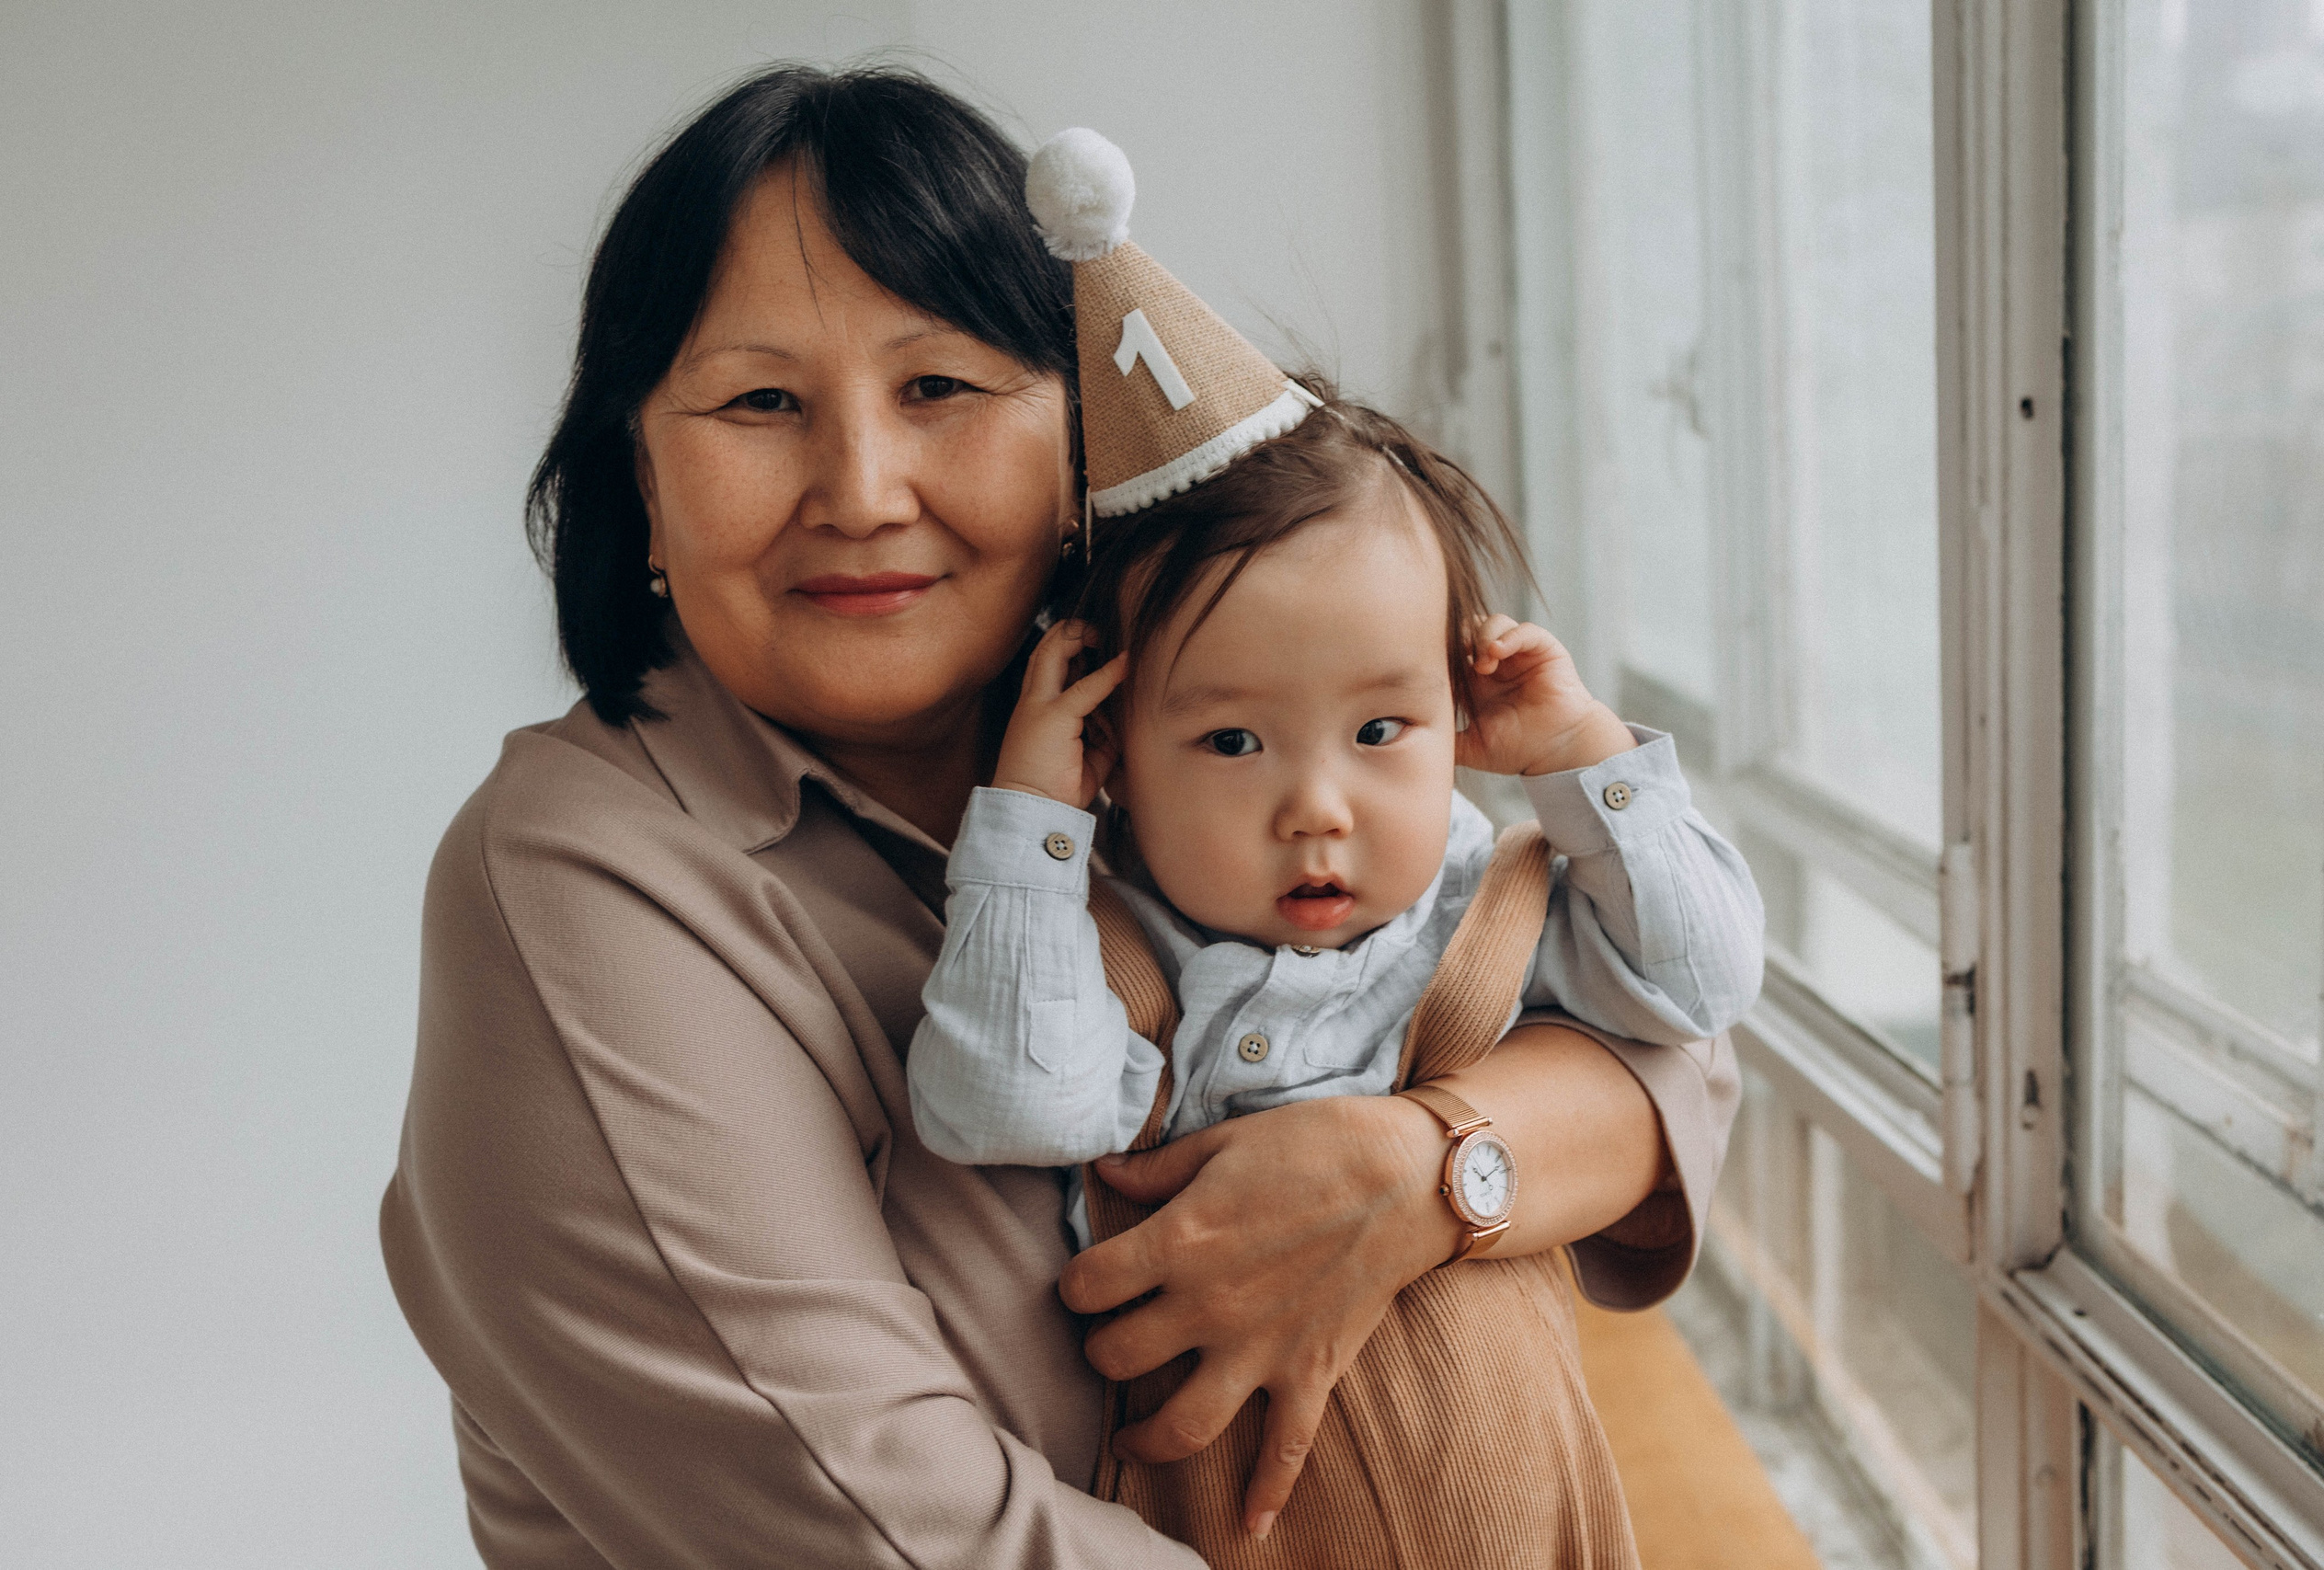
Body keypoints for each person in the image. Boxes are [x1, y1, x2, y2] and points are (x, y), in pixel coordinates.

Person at [380, 65, 1741, 1569]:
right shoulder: (583, 886)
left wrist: (1425, 1173)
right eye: (760, 401)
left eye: (941, 389)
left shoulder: (1186, 754)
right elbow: (902, 1537)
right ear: (637, 478)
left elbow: (1672, 1045)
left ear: (1076, 444)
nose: (863, 486)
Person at [904, 132, 1762, 1560]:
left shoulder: (1481, 915)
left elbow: (1702, 984)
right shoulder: (1105, 959)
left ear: (1459, 701)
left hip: (1533, 1519)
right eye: (1234, 743)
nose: (1322, 807)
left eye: (1382, 731)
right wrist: (1032, 830)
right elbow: (1002, 1101)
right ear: (1110, 753)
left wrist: (1587, 758)